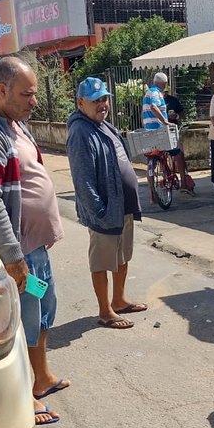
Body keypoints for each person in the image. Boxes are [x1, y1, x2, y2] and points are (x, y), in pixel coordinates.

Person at [0, 56, 66, 426]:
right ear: (2, 90)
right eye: (27, 94)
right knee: (19, 322)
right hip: (16, 252)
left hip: (32, 247)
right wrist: (12, 256)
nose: (34, 101)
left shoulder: (11, 121)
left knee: (43, 311)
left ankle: (42, 377)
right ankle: (23, 396)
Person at [67, 77, 147, 330]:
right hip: (104, 211)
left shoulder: (104, 126)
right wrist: (99, 211)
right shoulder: (80, 132)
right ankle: (105, 311)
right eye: (96, 100)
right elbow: (82, 179)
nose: (102, 104)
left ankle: (119, 300)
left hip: (122, 206)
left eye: (104, 99)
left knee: (123, 256)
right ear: (81, 103)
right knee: (102, 261)